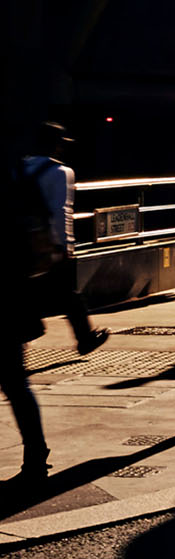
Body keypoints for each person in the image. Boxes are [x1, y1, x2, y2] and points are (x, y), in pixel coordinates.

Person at [22, 122, 108, 354]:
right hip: (47, 243)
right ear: (57, 146)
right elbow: (61, 211)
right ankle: (84, 337)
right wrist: (65, 244)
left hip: (19, 242)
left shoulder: (18, 168)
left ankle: (27, 331)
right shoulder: (61, 172)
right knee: (69, 294)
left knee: (24, 290)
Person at [4, 157, 55, 489]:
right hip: (12, 296)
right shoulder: (19, 177)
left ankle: (36, 454)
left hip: (9, 296)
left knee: (15, 383)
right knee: (15, 383)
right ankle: (35, 455)